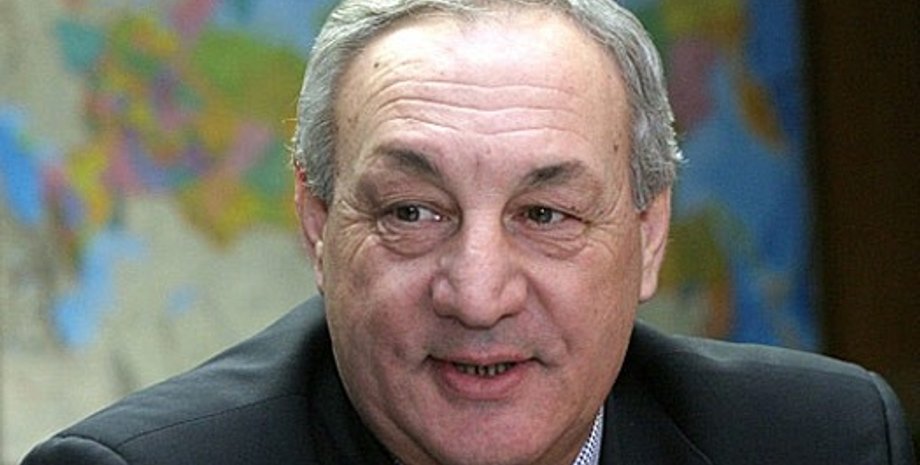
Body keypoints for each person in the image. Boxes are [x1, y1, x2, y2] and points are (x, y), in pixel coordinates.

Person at [22, 1, 915, 464]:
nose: (479, 295)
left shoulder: (824, 441)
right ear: (318, 222)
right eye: (412, 212)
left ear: (649, 235)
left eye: (545, 215)